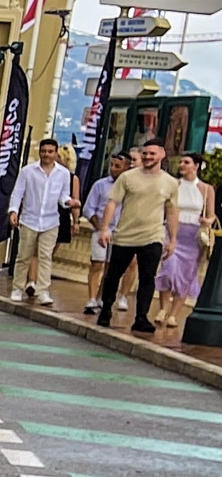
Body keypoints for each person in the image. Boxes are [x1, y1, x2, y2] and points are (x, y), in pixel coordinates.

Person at [93, 139, 180, 333]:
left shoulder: (170, 182)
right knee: (113, 275)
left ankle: (141, 317)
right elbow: (112, 203)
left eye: (152, 153)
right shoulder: (127, 177)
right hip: (125, 235)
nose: (148, 157)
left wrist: (172, 239)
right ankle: (106, 309)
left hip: (153, 236)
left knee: (148, 277)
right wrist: (105, 228)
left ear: (162, 155)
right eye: (145, 153)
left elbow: (172, 211)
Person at [3, 137, 72, 306]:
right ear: (39, 152)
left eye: (50, 152)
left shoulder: (63, 174)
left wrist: (68, 202)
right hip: (29, 219)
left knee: (45, 256)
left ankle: (42, 290)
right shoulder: (28, 171)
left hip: (51, 220)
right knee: (24, 255)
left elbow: (63, 195)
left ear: (56, 154)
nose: (46, 155)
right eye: (43, 151)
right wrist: (14, 210)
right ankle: (18, 287)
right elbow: (18, 192)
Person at [154, 155, 210, 330]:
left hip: (193, 235)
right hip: (172, 231)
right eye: (181, 162)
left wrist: (207, 221)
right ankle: (163, 308)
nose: (182, 165)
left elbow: (211, 214)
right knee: (168, 269)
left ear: (196, 166)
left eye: (187, 162)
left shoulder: (206, 189)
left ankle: (173, 315)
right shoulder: (174, 185)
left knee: (187, 275)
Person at [82, 148, 132, 307]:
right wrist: (99, 227)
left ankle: (99, 297)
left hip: (120, 233)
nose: (113, 169)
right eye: (112, 165)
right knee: (97, 263)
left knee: (111, 269)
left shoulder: (131, 188)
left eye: (118, 166)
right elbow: (89, 208)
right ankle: (90, 299)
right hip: (101, 229)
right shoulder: (100, 185)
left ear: (126, 168)